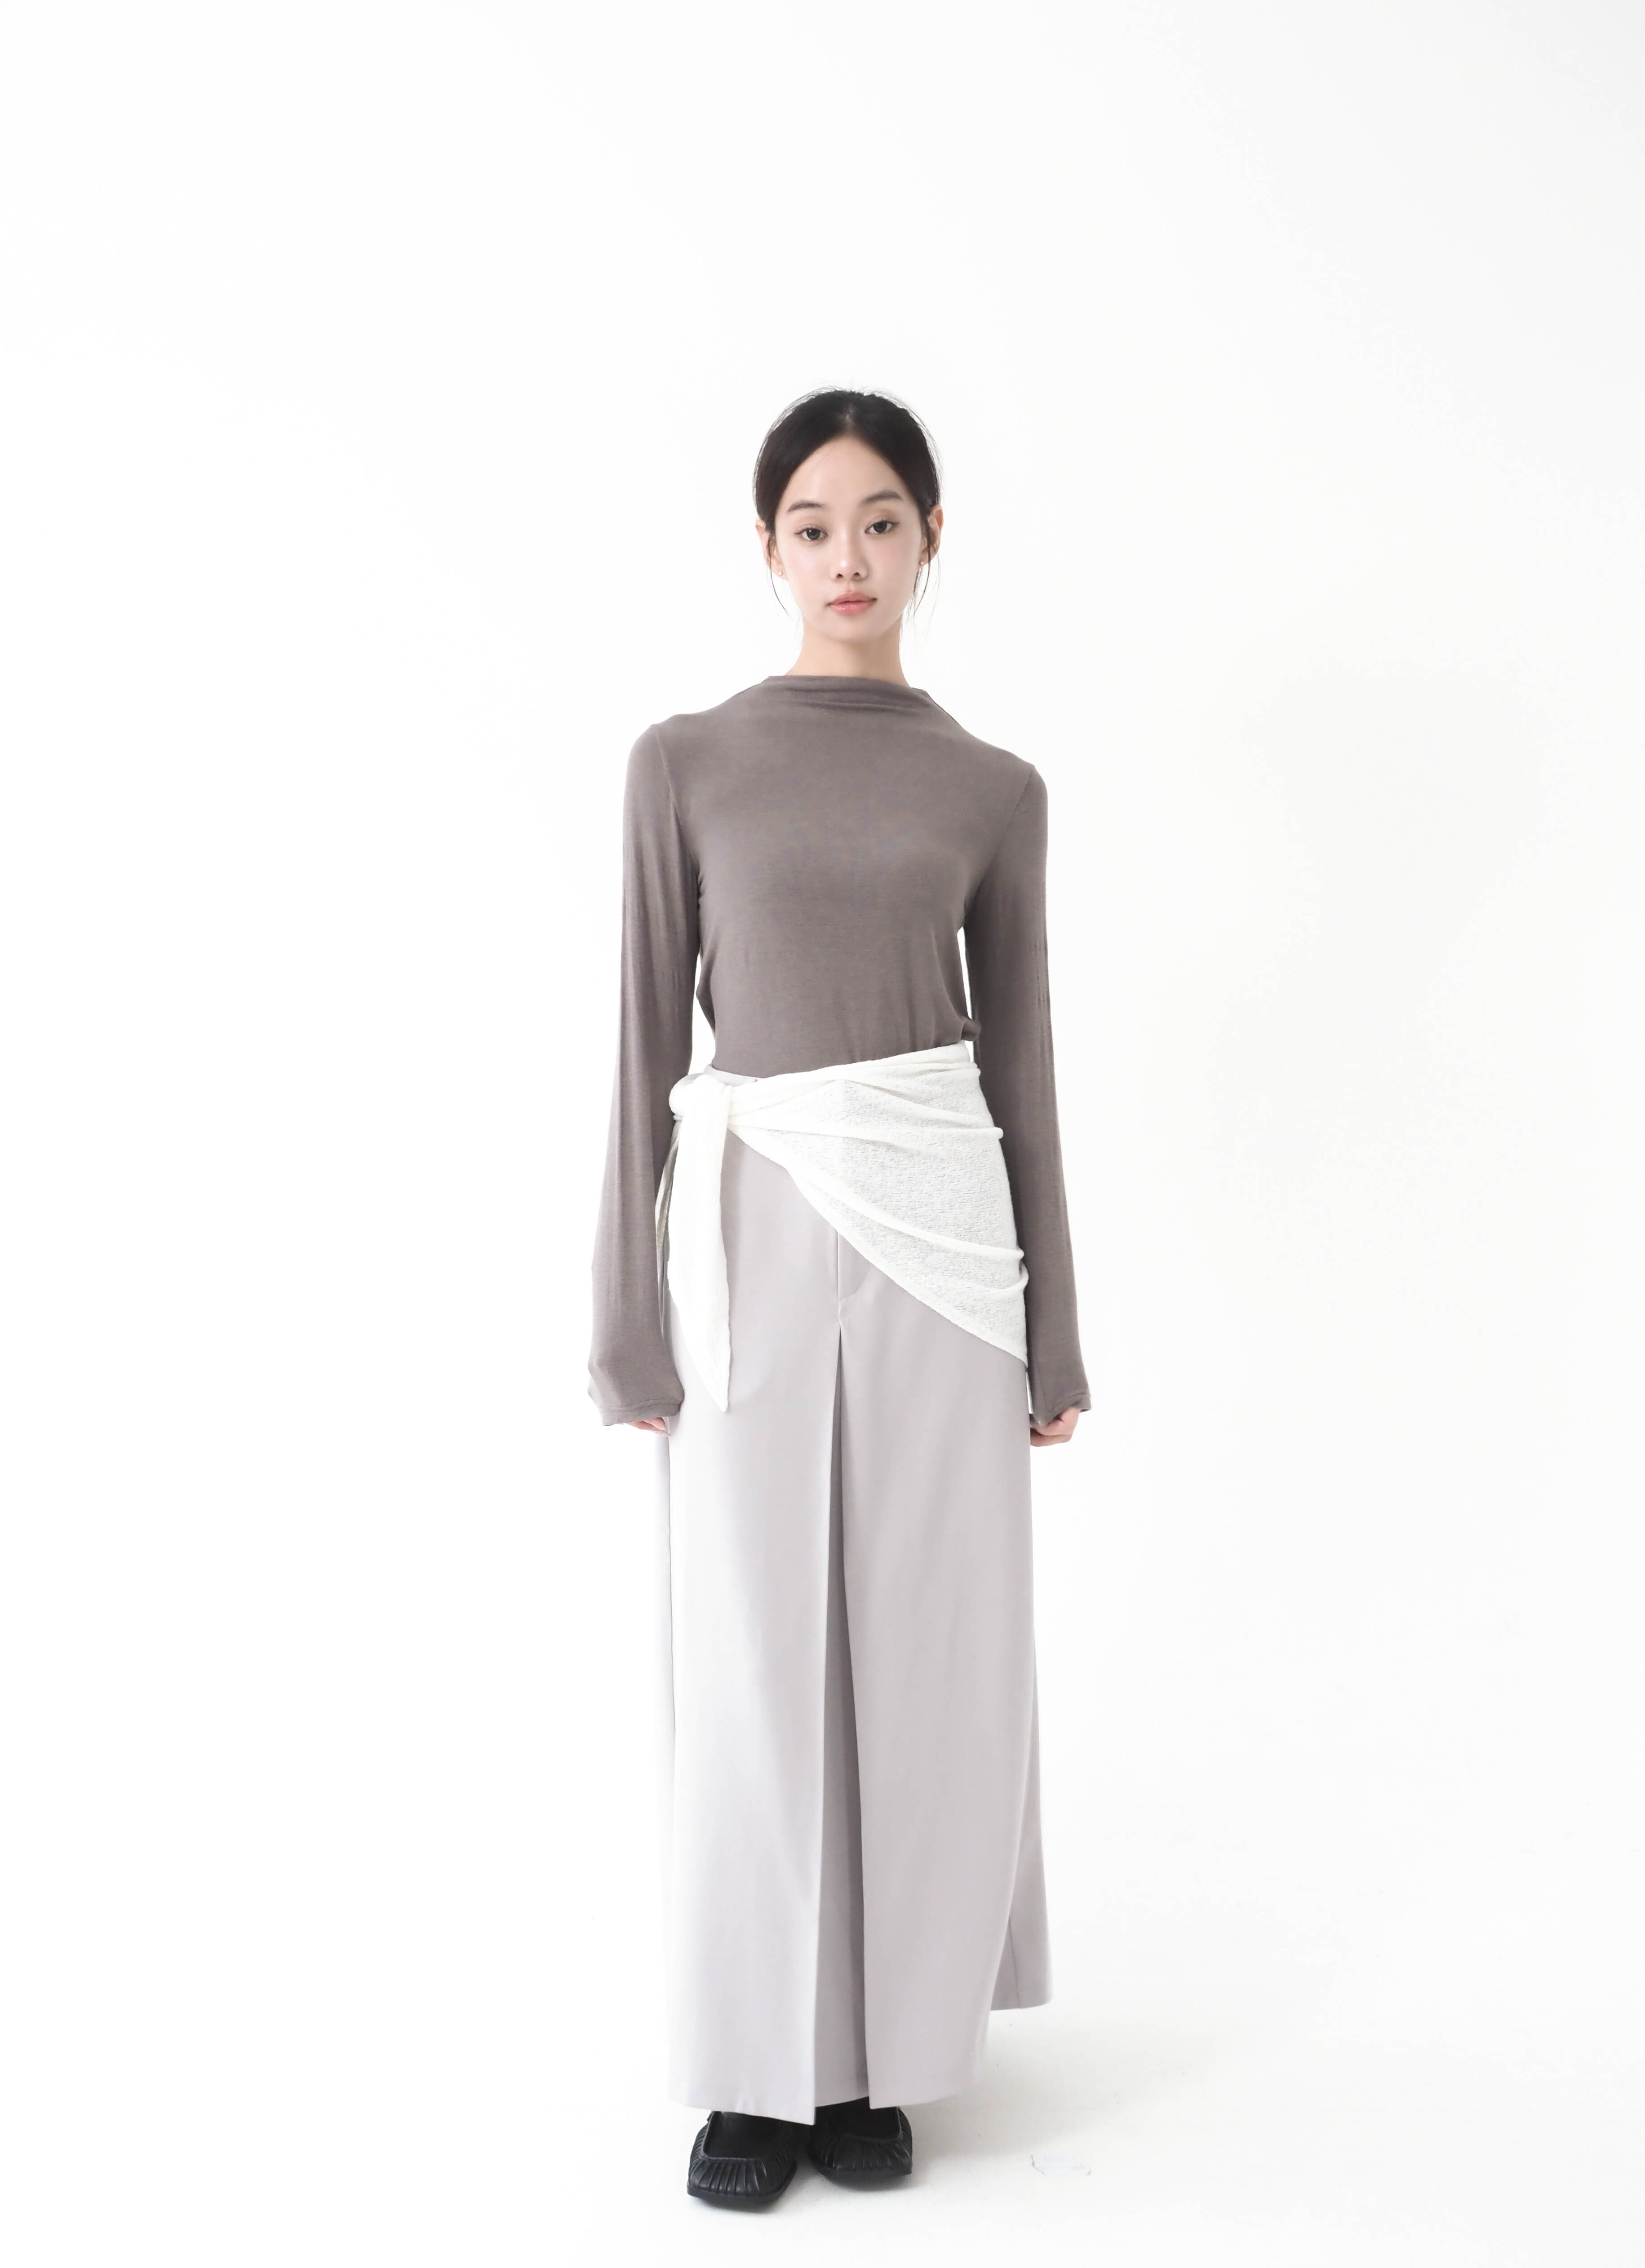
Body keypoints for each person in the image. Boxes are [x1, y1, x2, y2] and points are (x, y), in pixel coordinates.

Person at [589, 388, 1089, 2208]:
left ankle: (879, 2055)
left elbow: (1021, 1062)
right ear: (768, 547)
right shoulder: (686, 762)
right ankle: (755, 2067)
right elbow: (643, 1040)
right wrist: (619, 1302)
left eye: (880, 521)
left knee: (928, 1649)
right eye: (812, 525)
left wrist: (1055, 1325)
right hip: (751, 1229)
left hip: (945, 1240)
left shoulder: (991, 788)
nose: (847, 557)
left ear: (930, 538)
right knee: (750, 1649)